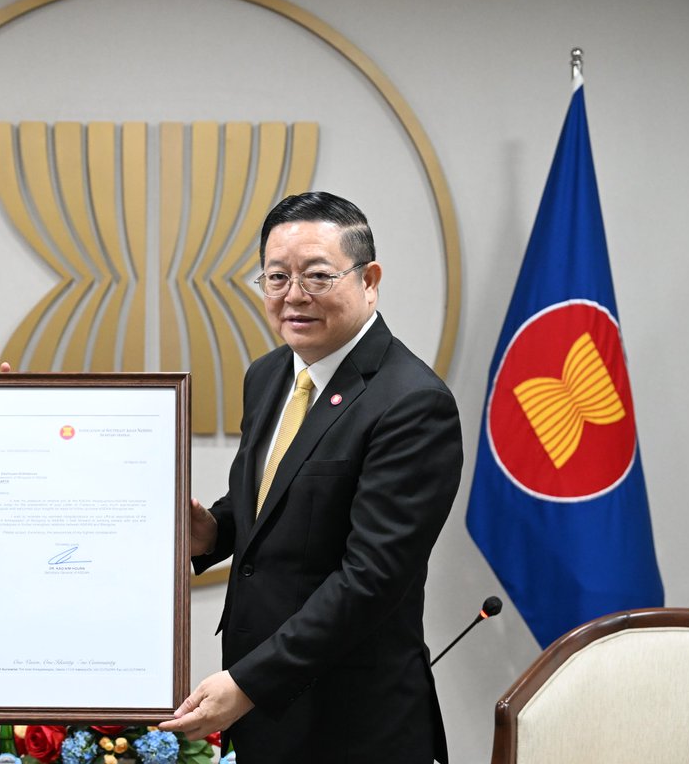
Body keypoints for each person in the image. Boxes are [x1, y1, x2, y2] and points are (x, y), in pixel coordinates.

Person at [160, 192, 463, 763]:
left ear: (369, 280)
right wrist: (215, 532)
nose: (293, 296)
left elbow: (371, 578)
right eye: (276, 277)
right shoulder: (269, 374)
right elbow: (277, 493)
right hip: (267, 719)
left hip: (353, 724)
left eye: (318, 276)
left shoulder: (413, 403)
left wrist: (250, 683)